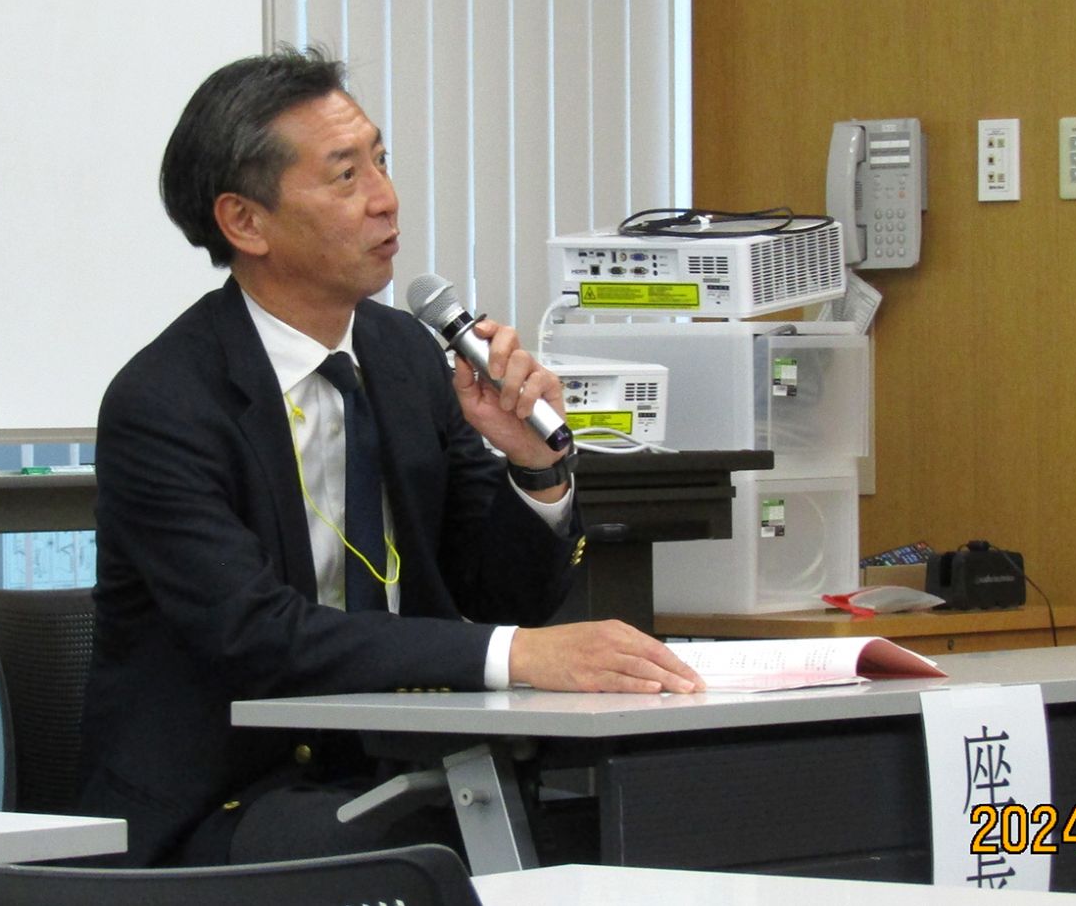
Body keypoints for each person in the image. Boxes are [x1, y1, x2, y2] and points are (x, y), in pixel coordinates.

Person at [77, 46, 703, 868]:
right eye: (345, 176)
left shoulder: (404, 356)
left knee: (642, 823)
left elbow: (500, 592)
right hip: (227, 799)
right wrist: (515, 653)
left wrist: (533, 469)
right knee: (443, 856)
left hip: (415, 769)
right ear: (245, 222)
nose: (385, 198)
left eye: (381, 161)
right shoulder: (165, 401)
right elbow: (256, 636)